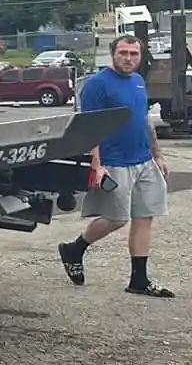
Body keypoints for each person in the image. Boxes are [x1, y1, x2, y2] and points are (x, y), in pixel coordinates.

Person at [58, 36, 174, 297]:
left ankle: (139, 280)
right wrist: (97, 164)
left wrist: (157, 154)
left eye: (134, 53)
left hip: (144, 160)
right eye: (123, 53)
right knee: (117, 218)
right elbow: (90, 127)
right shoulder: (97, 85)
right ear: (113, 54)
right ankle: (74, 249)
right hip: (115, 162)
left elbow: (145, 120)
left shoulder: (138, 81)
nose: (128, 58)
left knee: (145, 217)